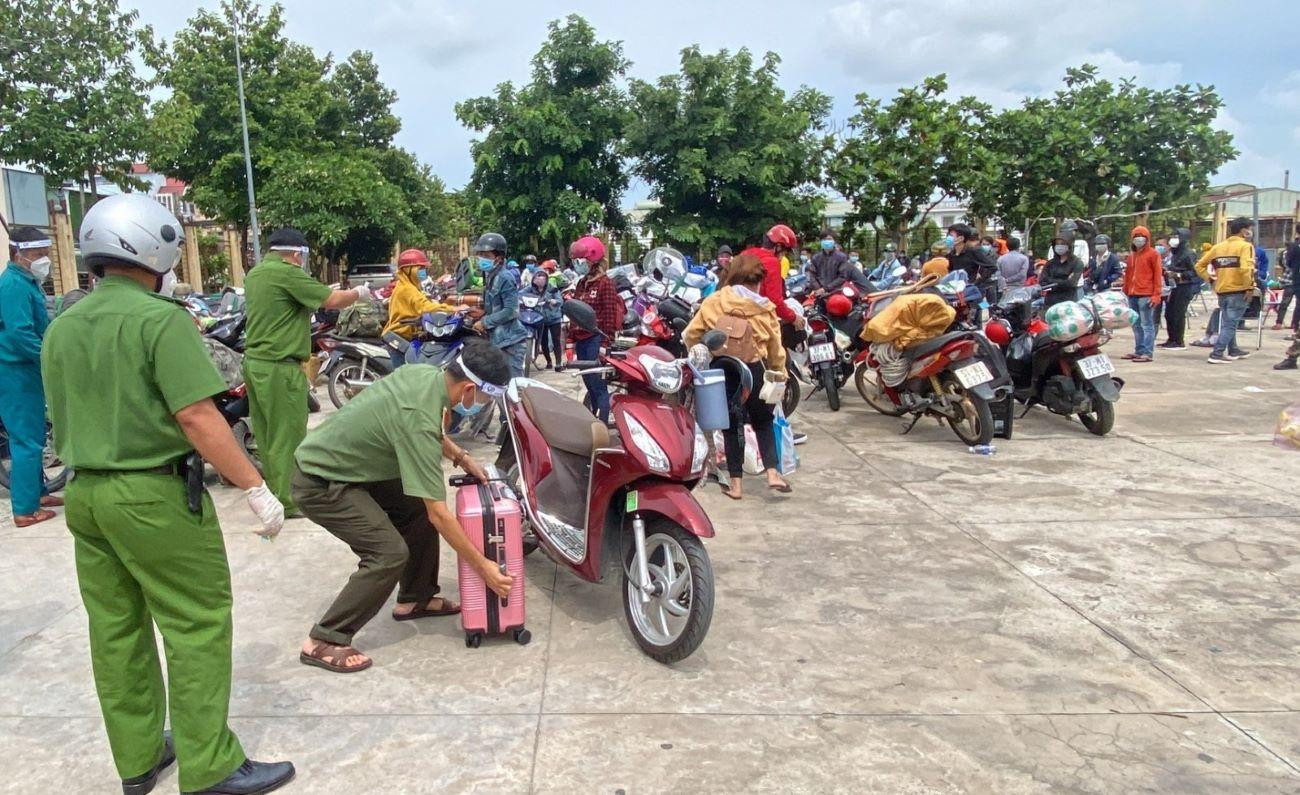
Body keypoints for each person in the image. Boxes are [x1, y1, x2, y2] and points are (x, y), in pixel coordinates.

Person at [42, 194, 293, 795]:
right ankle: (209, 766)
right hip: (152, 496)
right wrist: (256, 487)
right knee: (196, 623)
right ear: (154, 249)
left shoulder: (63, 325)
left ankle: (138, 759)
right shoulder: (159, 319)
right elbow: (198, 418)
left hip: (86, 496)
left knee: (116, 629)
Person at [294, 338, 513, 673]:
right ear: (469, 389)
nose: (482, 404)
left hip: (356, 466)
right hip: (321, 480)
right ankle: (325, 638)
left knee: (413, 510)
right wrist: (483, 567)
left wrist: (461, 456)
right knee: (388, 553)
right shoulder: (420, 420)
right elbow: (440, 514)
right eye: (484, 398)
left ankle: (416, 598)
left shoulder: (425, 375)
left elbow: (426, 428)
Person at [243, 227, 369, 515]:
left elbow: (290, 301)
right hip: (279, 366)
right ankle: (290, 501)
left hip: (255, 364)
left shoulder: (256, 274)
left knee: (267, 436)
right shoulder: (288, 273)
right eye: (302, 256)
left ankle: (276, 494)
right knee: (287, 436)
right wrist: (358, 293)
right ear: (296, 254)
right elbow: (331, 301)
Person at [683, 253, 789, 499]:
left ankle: (736, 486)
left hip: (725, 370)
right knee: (764, 421)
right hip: (756, 369)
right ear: (758, 280)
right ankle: (773, 473)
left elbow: (691, 333)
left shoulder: (715, 301)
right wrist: (779, 373)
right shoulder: (764, 308)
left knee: (731, 427)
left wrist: (698, 355)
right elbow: (776, 347)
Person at [1, 226, 60, 527]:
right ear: (19, 253)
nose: (44, 260)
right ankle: (25, 509)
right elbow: (21, 333)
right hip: (14, 370)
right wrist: (50, 359)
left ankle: (39, 492)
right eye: (38, 255)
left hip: (26, 370)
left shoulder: (28, 281)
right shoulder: (13, 285)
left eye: (46, 254)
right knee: (26, 441)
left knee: (34, 435)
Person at [570, 236, 624, 422]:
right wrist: (570, 340)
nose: (577, 263)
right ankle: (593, 419)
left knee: (598, 384)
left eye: (580, 260)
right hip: (581, 340)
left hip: (595, 340)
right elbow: (575, 312)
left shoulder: (605, 284)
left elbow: (609, 315)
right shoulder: (581, 283)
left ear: (592, 260)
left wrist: (604, 343)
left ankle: (603, 422)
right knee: (588, 383)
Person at [381, 248, 463, 369]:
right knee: (406, 378)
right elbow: (425, 307)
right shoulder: (407, 289)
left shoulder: (408, 285)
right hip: (401, 337)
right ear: (409, 270)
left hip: (405, 336)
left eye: (424, 268)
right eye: (420, 268)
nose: (423, 272)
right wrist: (453, 309)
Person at [1196, 217, 1257, 364]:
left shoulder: (1218, 247)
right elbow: (1245, 268)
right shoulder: (1245, 246)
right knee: (1230, 324)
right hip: (1238, 289)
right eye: (1250, 228)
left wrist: (1210, 279)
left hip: (1222, 290)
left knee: (1229, 322)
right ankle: (1217, 353)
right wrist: (1250, 286)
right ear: (1243, 230)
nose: (1251, 231)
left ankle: (1233, 349)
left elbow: (1199, 265)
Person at [470, 232, 529, 381]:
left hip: (510, 342)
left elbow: (510, 311)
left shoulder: (505, 277)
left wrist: (484, 322)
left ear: (499, 258)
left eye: (486, 255)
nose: (481, 258)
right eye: (480, 254)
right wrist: (481, 313)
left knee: (513, 387)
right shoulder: (490, 276)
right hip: (498, 341)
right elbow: (496, 306)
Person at [1121, 225, 1163, 362]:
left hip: (1146, 295)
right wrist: (1125, 291)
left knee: (1147, 324)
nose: (1138, 239)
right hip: (1132, 294)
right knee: (1136, 324)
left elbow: (1157, 275)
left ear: (1147, 239)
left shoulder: (1153, 254)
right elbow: (1128, 275)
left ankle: (1147, 352)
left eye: (1142, 236)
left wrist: (1156, 294)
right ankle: (1139, 351)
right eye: (1136, 236)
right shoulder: (1132, 256)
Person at [1158, 227, 1197, 350]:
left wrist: (1179, 275)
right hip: (1173, 286)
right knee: (1169, 313)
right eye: (1173, 237)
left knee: (1178, 314)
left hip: (1184, 287)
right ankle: (1171, 338)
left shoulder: (1189, 253)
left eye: (1176, 237)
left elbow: (1194, 272)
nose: (1173, 240)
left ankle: (1179, 340)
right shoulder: (1175, 253)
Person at [522, 266, 564, 370]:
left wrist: (554, 302)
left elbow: (560, 300)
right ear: (534, 278)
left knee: (556, 340)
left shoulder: (552, 287)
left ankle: (558, 363)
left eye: (543, 276)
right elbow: (520, 294)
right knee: (543, 341)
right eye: (538, 276)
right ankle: (549, 362)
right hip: (539, 318)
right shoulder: (530, 288)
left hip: (554, 317)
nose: (541, 278)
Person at [1039, 232, 1085, 311]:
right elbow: (1042, 281)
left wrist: (1051, 281)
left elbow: (1071, 283)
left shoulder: (1077, 263)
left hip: (1068, 303)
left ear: (1069, 245)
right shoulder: (1050, 263)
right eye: (1057, 244)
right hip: (1050, 303)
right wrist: (1064, 280)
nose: (1059, 246)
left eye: (1063, 243)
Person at [1275, 232, 1300, 331]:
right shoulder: (1290, 251)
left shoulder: (1286, 252)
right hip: (1292, 279)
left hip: (1289, 279)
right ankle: (1293, 324)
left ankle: (1280, 323)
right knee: (1295, 304)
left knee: (1285, 303)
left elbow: (1284, 264)